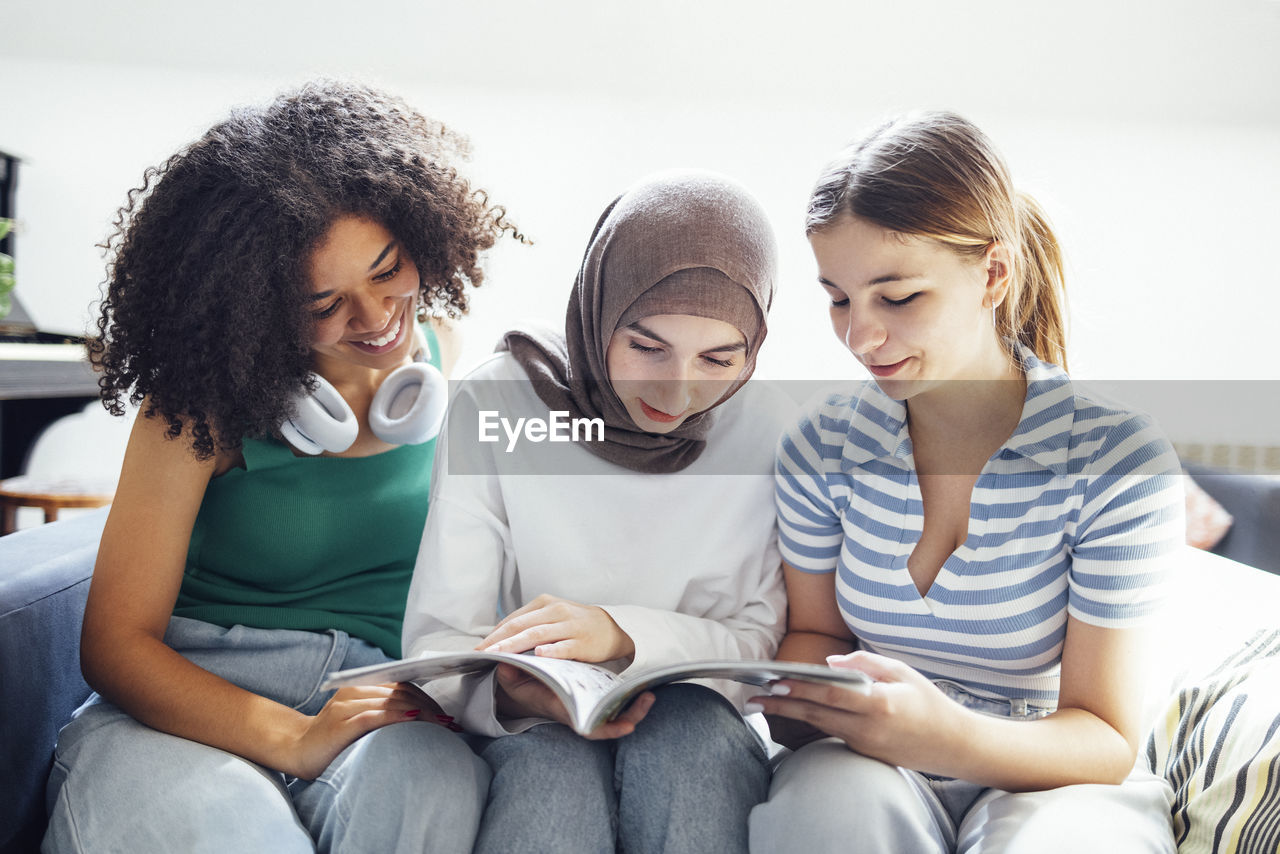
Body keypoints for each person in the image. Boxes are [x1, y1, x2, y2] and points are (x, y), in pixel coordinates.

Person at [42, 80, 519, 854]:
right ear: (253, 305)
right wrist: (293, 738)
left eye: (388, 268)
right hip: (194, 699)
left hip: (378, 696)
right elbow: (115, 645)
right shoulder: (198, 404)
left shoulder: (442, 353)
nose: (374, 319)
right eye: (322, 303)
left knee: (435, 788)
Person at [747, 112, 1186, 853]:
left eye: (899, 297)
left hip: (1054, 772)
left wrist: (944, 736)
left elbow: (1106, 735)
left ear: (992, 273)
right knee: (825, 809)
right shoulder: (822, 445)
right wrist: (795, 699)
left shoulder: (1116, 459)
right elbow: (817, 633)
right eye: (839, 298)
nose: (860, 337)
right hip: (870, 762)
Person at [402, 170, 792, 853]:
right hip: (530, 724)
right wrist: (521, 697)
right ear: (598, 308)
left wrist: (618, 634)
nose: (678, 389)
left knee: (691, 740)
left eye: (720, 357)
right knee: (553, 770)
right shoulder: (497, 405)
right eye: (646, 347)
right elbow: (440, 644)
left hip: (698, 725)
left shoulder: (771, 432)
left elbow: (760, 643)